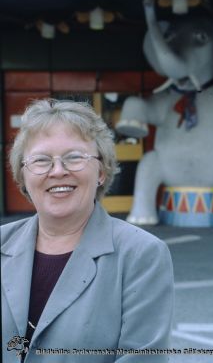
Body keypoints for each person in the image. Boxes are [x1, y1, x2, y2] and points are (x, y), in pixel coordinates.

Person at [1, 98, 175, 362]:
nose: (58, 171)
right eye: (41, 160)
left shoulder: (141, 255)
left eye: (74, 157)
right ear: (23, 175)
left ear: (102, 171)